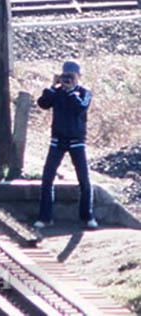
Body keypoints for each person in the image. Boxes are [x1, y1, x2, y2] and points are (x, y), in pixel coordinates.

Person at [34, 60, 98, 229]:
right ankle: (45, 217)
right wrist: (52, 85)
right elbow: (42, 104)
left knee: (84, 180)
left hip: (77, 141)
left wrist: (70, 91)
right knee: (47, 179)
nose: (69, 79)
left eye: (72, 75)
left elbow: (80, 108)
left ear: (79, 76)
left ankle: (87, 216)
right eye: (66, 75)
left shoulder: (84, 92)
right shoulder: (56, 92)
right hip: (57, 141)